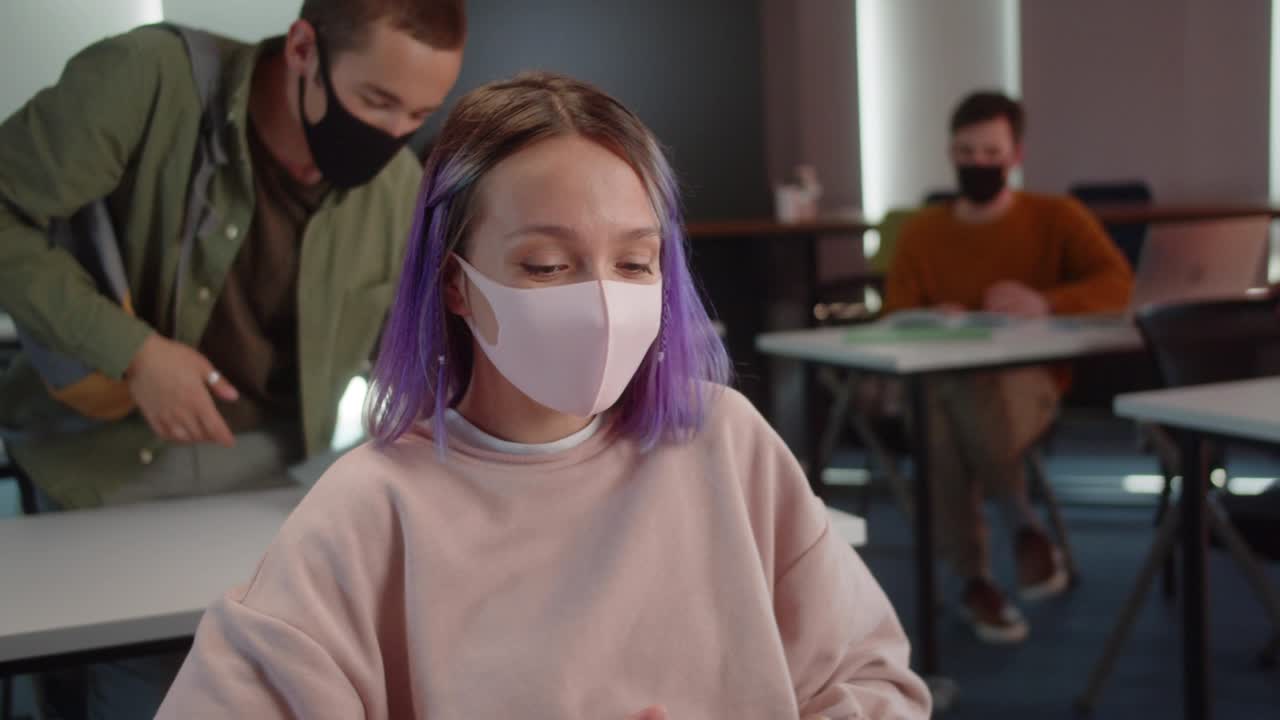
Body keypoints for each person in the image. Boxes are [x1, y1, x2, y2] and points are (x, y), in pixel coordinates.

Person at [156, 72, 932, 720]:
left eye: (634, 264)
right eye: (546, 266)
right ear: (456, 284)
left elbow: (874, 683)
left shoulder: (724, 442)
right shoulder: (371, 511)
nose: (600, 300)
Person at [0, 1, 464, 716]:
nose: (395, 136)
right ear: (304, 48)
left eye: (419, 115)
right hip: (106, 457)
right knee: (145, 683)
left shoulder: (397, 191)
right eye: (376, 101)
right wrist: (134, 354)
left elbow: (404, 354)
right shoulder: (151, 79)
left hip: (272, 477)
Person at [884, 91, 1134, 645]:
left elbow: (1117, 284)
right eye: (965, 151)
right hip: (941, 375)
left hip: (1031, 380)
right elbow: (894, 310)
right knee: (940, 405)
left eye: (989, 151)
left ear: (1015, 154)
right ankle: (1023, 527)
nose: (977, 163)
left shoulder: (1056, 218)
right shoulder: (923, 231)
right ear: (950, 151)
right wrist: (928, 316)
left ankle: (975, 582)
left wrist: (1047, 301)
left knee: (946, 407)